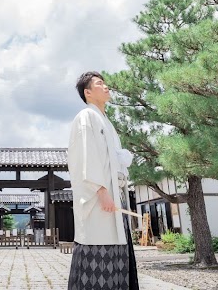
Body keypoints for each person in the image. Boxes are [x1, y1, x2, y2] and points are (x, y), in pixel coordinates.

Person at [67, 71, 139, 290]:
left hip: (115, 196)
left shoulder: (105, 121)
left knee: (118, 252)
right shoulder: (86, 116)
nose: (106, 86)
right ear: (88, 92)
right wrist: (101, 190)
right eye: (100, 84)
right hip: (101, 198)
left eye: (105, 83)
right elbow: (86, 158)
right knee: (98, 250)